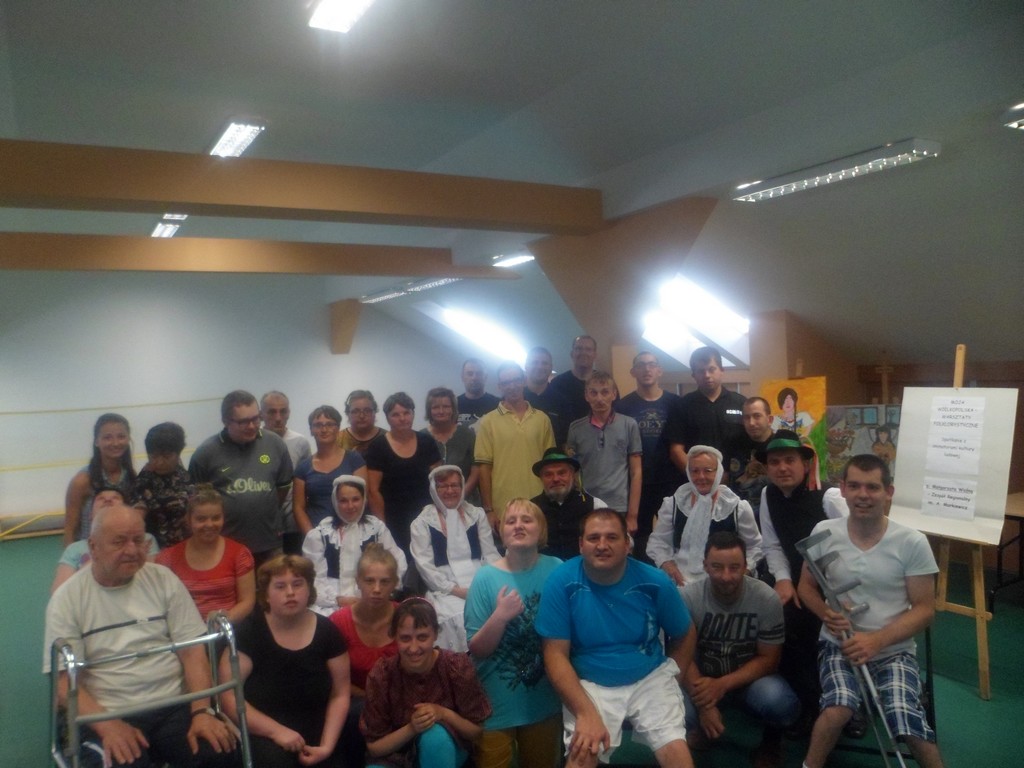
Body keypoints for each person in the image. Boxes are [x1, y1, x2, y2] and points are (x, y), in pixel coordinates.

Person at [44, 504, 238, 768]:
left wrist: (202, 711)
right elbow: (64, 684)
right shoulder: (67, 599)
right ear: (93, 547)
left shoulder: (164, 579)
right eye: (119, 542)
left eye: (138, 540)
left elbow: (193, 652)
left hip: (174, 705)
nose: (132, 550)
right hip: (108, 712)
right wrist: (108, 725)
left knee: (219, 752)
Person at [798, 455, 943, 768]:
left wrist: (876, 641)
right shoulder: (824, 532)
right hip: (839, 646)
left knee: (906, 716)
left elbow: (925, 610)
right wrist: (825, 613)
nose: (862, 495)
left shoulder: (912, 542)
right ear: (843, 489)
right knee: (838, 708)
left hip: (893, 650)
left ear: (888, 492)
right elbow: (806, 588)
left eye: (872, 487)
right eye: (854, 486)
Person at [536, 509, 697, 768]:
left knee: (675, 751)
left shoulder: (655, 581)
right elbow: (554, 654)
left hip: (650, 676)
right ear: (581, 545)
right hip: (589, 682)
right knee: (583, 752)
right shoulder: (561, 581)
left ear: (627, 544)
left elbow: (685, 632)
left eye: (612, 537)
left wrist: (672, 678)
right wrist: (585, 713)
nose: (602, 545)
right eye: (594, 538)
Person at [680, 532, 798, 768]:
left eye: (734, 568)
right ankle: (704, 726)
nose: (726, 576)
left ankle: (771, 741)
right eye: (717, 567)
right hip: (702, 680)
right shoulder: (687, 597)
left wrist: (721, 686)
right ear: (704, 566)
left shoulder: (767, 599)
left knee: (780, 702)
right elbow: (683, 657)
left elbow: (769, 660)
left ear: (746, 566)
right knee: (678, 710)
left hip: (748, 681)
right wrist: (705, 705)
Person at [756, 429, 847, 736]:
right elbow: (772, 545)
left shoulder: (830, 497)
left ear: (805, 464)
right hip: (795, 583)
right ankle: (807, 703)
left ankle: (847, 705)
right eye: (775, 462)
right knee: (783, 625)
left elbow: (856, 542)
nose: (782, 467)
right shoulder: (768, 495)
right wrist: (783, 580)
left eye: (790, 460)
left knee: (829, 634)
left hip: (835, 587)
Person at [220, 555, 350, 768]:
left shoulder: (328, 631)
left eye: (297, 584)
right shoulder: (248, 633)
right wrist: (276, 732)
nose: (290, 592)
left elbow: (341, 693)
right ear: (266, 594)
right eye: (280, 586)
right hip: (265, 732)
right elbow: (229, 697)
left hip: (321, 728)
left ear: (309, 590)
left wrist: (327, 746)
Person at [464, 498, 564, 768]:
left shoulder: (557, 569)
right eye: (511, 521)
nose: (518, 525)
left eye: (527, 520)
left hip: (544, 704)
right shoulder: (484, 578)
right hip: (495, 706)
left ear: (540, 530)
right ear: (501, 532)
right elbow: (477, 649)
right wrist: (500, 616)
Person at [360, 598, 492, 768]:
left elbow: (476, 731)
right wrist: (412, 728)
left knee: (435, 736)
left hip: (445, 749)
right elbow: (375, 748)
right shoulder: (382, 675)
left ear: (435, 634)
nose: (413, 648)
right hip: (395, 755)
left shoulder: (456, 667)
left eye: (422, 637)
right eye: (405, 638)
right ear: (394, 636)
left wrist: (442, 713)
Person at [189, 390, 294, 566]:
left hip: (270, 543)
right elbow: (198, 503)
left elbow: (282, 488)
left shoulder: (275, 444)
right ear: (225, 421)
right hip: (225, 547)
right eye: (243, 421)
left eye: (256, 419)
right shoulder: (205, 453)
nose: (252, 426)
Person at [646, 445, 762, 588]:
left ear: (718, 472)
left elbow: (755, 546)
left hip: (724, 582)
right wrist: (667, 564)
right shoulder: (674, 504)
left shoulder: (737, 507)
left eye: (707, 471)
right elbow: (659, 542)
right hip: (679, 580)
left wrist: (742, 573)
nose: (701, 477)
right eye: (695, 471)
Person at [410, 466, 500, 651]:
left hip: (481, 579)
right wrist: (456, 590)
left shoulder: (476, 515)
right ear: (434, 489)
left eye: (455, 485)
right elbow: (426, 567)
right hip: (445, 588)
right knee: (458, 616)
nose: (450, 490)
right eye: (443, 486)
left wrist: (493, 583)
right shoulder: (422, 522)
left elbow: (490, 554)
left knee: (499, 608)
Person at [329, 545, 401, 768]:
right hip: (353, 703)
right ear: (358, 581)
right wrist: (371, 697)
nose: (377, 589)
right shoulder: (338, 622)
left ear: (395, 583)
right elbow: (332, 681)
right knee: (357, 712)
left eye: (384, 582)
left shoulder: (406, 617)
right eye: (370, 581)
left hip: (401, 699)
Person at [304, 475, 407, 616]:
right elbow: (313, 577)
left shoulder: (376, 529)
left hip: (372, 597)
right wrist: (337, 600)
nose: (350, 506)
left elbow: (397, 561)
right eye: (343, 501)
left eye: (355, 499)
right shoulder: (320, 534)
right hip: (331, 602)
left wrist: (380, 591)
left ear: (364, 500)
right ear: (335, 501)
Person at [616, 351, 684, 563]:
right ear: (633, 372)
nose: (647, 369)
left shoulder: (676, 403)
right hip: (638, 485)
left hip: (671, 482)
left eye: (652, 364)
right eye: (641, 365)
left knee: (676, 537)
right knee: (640, 541)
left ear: (659, 370)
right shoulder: (622, 406)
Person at [155, 485, 256, 623]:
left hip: (228, 628)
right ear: (188, 520)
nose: (209, 524)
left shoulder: (240, 554)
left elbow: (247, 601)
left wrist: (223, 620)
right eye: (201, 519)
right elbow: (160, 604)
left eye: (216, 518)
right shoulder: (167, 558)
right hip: (184, 631)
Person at [475, 362, 555, 527]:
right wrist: (489, 510)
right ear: (499, 386)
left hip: (539, 503)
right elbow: (484, 469)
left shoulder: (542, 419)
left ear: (524, 381)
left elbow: (550, 465)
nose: (512, 386)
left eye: (516, 380)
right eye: (506, 383)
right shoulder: (488, 422)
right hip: (503, 507)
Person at [365, 393, 443, 560]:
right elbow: (373, 491)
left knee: (430, 560)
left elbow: (439, 481)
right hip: (393, 520)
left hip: (426, 517)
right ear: (387, 418)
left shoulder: (426, 441)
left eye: (406, 413)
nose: (402, 418)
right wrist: (382, 527)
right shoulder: (378, 447)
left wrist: (439, 516)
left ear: (413, 414)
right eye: (395, 414)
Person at [566, 370, 642, 535]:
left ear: (614, 394)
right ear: (586, 396)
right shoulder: (576, 428)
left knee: (618, 547)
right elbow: (572, 471)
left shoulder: (629, 425)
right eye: (594, 393)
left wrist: (633, 515)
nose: (599, 398)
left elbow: (636, 472)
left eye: (605, 392)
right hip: (587, 504)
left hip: (619, 505)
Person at [50, 487, 159, 594]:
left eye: (115, 498)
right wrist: (99, 554)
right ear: (90, 515)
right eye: (100, 498)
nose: (108, 500)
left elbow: (151, 583)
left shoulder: (145, 540)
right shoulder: (75, 548)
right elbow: (59, 592)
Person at [666, 346, 746, 472]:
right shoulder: (682, 406)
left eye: (711, 369)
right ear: (694, 375)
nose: (707, 375)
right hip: (697, 480)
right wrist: (698, 476)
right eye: (701, 371)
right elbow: (676, 451)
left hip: (735, 478)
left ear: (722, 370)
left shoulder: (740, 403)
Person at [293, 405, 367, 536]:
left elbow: (363, 497)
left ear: (338, 428)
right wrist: (312, 536)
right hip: (317, 533)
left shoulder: (354, 460)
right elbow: (298, 507)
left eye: (330, 424)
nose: (324, 429)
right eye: (318, 425)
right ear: (311, 430)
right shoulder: (303, 467)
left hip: (351, 531)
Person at [64, 413, 137, 544]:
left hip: (121, 549)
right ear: (96, 441)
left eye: (121, 436)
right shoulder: (82, 481)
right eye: (107, 437)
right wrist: (73, 555)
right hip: (90, 551)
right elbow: (70, 530)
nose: (115, 443)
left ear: (128, 439)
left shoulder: (131, 476)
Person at [530, 448, 606, 562]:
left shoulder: (596, 506)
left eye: (562, 473)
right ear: (541, 478)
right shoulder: (531, 509)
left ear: (572, 475)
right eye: (548, 474)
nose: (556, 479)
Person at [261, 391, 314, 555]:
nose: (278, 417)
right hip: (263, 524)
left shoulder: (300, 442)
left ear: (289, 413)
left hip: (294, 523)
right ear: (261, 414)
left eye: (283, 411)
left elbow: (308, 483)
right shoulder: (254, 442)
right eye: (272, 412)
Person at [132, 421, 194, 548]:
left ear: (178, 453)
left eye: (166, 456)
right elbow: (136, 518)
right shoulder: (143, 481)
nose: (159, 462)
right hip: (155, 549)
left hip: (187, 546)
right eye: (153, 456)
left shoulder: (185, 475)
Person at [420, 387, 481, 504]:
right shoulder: (421, 437)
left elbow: (476, 470)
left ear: (453, 409)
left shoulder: (467, 434)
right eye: (435, 407)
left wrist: (461, 496)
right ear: (429, 410)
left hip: (466, 501)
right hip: (431, 504)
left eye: (446, 406)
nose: (441, 411)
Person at [725, 397, 775, 508]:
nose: (751, 423)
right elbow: (725, 477)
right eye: (747, 418)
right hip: (738, 509)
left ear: (770, 420)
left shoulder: (780, 447)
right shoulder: (733, 443)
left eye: (757, 416)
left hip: (772, 509)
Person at [522, 346, 572, 448]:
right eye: (534, 362)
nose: (539, 367)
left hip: (553, 457)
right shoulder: (515, 399)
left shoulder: (562, 402)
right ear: (526, 366)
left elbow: (566, 441)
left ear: (551, 367)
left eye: (544, 363)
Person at [547, 335, 598, 424]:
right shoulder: (557, 384)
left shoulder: (605, 383)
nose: (583, 353)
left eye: (588, 349)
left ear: (595, 355)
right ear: (572, 354)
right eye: (578, 349)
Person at [456, 358, 501, 429]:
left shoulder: (499, 405)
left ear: (485, 377)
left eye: (479, 374)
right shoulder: (453, 405)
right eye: (470, 374)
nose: (474, 378)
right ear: (462, 377)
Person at [339, 390, 387, 455]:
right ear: (348, 414)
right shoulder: (337, 439)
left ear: (375, 412)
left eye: (367, 411)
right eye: (356, 411)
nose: (362, 416)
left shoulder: (388, 438)